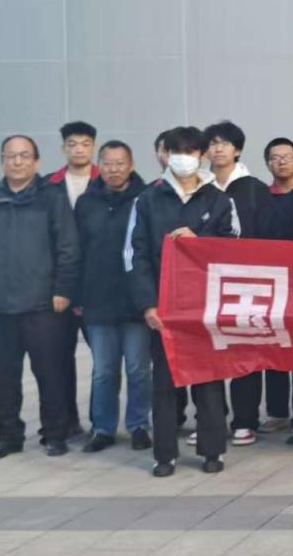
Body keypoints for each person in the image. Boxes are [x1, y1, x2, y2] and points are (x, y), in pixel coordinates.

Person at [128, 126, 239, 477]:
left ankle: (212, 449)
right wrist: (148, 304)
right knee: (164, 382)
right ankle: (165, 454)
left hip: (205, 306)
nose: (183, 158)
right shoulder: (147, 199)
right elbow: (135, 256)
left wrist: (198, 241)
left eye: (190, 152)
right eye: (176, 151)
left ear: (202, 156)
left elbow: (234, 250)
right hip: (165, 307)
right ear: (165, 155)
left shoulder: (219, 199)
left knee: (209, 380)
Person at [0, 135, 79, 459]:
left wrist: (63, 289)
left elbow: (68, 248)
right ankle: (8, 437)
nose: (17, 161)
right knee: (4, 377)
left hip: (43, 305)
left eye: (24, 155)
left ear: (36, 161)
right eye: (11, 156)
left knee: (50, 373)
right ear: (2, 161)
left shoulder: (52, 199)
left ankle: (55, 434)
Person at [205, 120, 282, 447]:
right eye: (212, 143)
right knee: (208, 355)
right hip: (206, 284)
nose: (218, 149)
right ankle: (211, 419)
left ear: (237, 150)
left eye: (224, 143)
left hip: (246, 285)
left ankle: (244, 420)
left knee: (243, 354)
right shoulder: (199, 187)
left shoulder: (254, 189)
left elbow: (269, 237)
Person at [74, 141, 150, 453]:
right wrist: (77, 295)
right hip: (98, 300)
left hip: (136, 301)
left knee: (138, 369)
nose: (113, 169)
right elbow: (76, 250)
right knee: (103, 371)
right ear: (99, 166)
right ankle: (103, 428)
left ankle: (139, 425)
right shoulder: (86, 202)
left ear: (131, 165)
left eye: (120, 163)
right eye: (107, 163)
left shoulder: (145, 199)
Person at [49, 120, 99, 437]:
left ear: (93, 147)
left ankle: (101, 422)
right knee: (58, 359)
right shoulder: (48, 186)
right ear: (63, 148)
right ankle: (67, 421)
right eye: (72, 144)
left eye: (84, 144)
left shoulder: (106, 183)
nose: (78, 149)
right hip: (59, 290)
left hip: (96, 288)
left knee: (103, 361)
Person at [261, 136, 293, 437]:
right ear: (268, 163)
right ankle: (277, 412)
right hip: (272, 282)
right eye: (275, 158)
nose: (281, 162)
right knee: (273, 348)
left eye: (287, 157)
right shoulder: (262, 198)